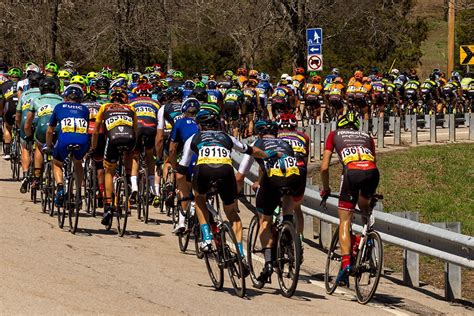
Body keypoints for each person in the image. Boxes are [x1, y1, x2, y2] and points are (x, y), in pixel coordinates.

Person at [177, 110, 269, 256]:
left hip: (204, 170)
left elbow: (181, 172)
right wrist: (268, 156)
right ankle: (240, 253)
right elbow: (251, 150)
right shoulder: (227, 137)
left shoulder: (193, 138)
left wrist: (185, 193)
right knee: (231, 212)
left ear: (200, 126)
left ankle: (206, 238)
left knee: (199, 198)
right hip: (226, 171)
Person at [236, 119, 300, 283]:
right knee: (287, 200)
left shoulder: (257, 143)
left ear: (259, 133)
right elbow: (277, 168)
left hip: (272, 182)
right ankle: (288, 226)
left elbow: (241, 174)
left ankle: (269, 263)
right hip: (294, 178)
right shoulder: (286, 144)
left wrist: (235, 194)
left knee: (264, 220)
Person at [320, 113, 380, 286]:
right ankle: (367, 238)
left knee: (345, 220)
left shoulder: (334, 135)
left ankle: (346, 263)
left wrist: (325, 189)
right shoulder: (367, 136)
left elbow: (324, 168)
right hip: (372, 173)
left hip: (351, 173)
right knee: (364, 206)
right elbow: (372, 161)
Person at [91, 91, 137, 226]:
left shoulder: (105, 107)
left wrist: (93, 147)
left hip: (113, 139)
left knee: (108, 171)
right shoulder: (131, 108)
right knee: (130, 152)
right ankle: (128, 178)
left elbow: (96, 130)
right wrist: (133, 147)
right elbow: (135, 129)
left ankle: (109, 205)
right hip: (129, 138)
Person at [44, 85, 89, 206]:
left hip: (64, 140)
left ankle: (59, 188)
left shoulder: (59, 107)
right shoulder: (85, 109)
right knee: (78, 162)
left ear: (65, 97)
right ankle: (79, 193)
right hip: (82, 140)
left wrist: (48, 146)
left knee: (57, 163)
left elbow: (49, 131)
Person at [23, 77, 64, 192]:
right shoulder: (61, 99)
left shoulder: (36, 100)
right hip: (58, 129)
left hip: (42, 129)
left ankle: (36, 177)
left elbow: (27, 124)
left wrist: (29, 136)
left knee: (40, 148)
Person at [276, 113, 309, 243]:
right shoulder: (303, 136)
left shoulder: (275, 136)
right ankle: (299, 238)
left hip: (281, 169)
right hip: (300, 169)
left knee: (275, 198)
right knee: (296, 207)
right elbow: (306, 160)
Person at [169, 97, 200, 234]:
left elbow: (172, 149)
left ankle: (181, 222)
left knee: (184, 190)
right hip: (208, 159)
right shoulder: (202, 123)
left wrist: (174, 166)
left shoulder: (179, 122)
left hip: (189, 158)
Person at [128, 83, 161, 203]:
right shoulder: (156, 103)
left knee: (135, 156)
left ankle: (134, 187)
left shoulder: (131, 102)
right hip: (151, 128)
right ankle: (153, 188)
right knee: (149, 154)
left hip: (137, 129)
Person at [16, 71, 43, 191]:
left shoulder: (24, 94)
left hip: (25, 122)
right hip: (40, 122)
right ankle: (38, 174)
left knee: (25, 147)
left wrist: (19, 127)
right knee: (38, 146)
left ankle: (26, 174)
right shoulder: (44, 94)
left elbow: (18, 116)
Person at [1, 67, 22, 160]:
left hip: (9, 107)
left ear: (9, 76)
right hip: (21, 108)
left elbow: (1, 101)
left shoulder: (4, 85)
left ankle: (7, 152)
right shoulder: (23, 84)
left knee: (7, 127)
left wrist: (1, 113)